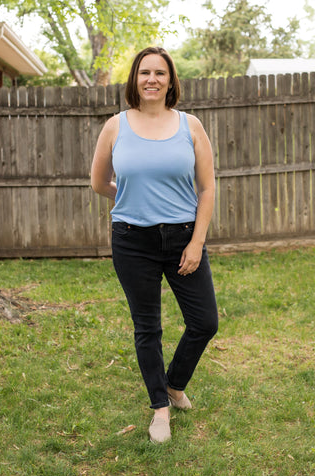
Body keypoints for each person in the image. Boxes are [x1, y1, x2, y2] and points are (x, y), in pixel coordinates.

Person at [91, 46, 218, 443]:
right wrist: (132, 199)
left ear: (170, 80)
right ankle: (160, 409)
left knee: (204, 322)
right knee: (148, 328)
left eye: (159, 73)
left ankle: (175, 384)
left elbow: (208, 187)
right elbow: (98, 183)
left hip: (183, 238)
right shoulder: (115, 126)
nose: (151, 79)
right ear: (134, 79)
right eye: (144, 72)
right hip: (132, 241)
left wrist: (196, 243)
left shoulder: (190, 125)